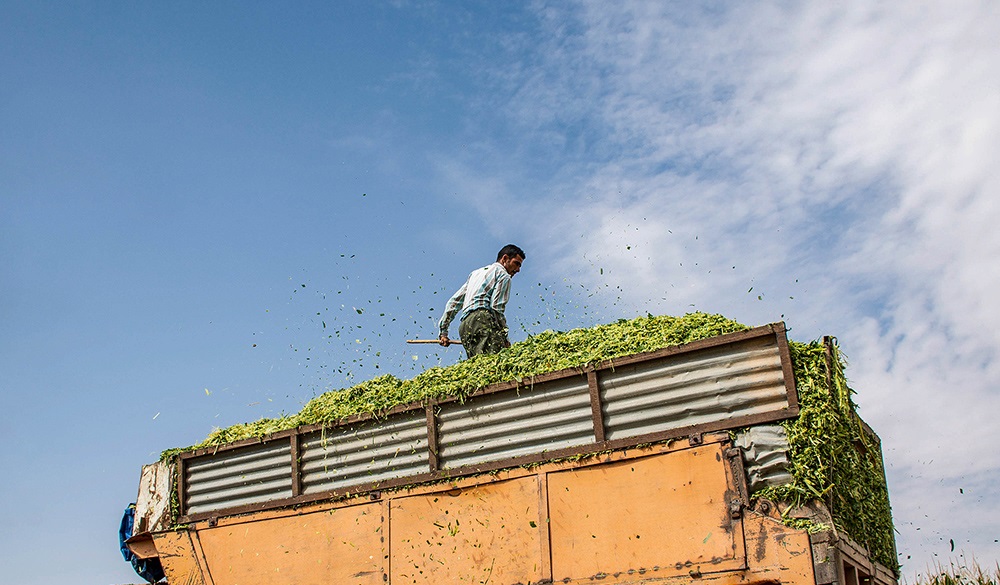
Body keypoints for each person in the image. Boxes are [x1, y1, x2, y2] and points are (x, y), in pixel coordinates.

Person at [438, 244, 525, 358]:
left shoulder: (476, 274)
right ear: (505, 259)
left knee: (477, 366)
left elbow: (453, 303)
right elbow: (497, 308)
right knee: (492, 364)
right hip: (483, 321)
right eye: (516, 263)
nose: (518, 270)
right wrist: (505, 337)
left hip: (465, 325)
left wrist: (443, 332)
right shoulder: (504, 276)